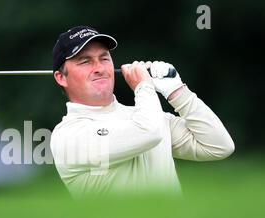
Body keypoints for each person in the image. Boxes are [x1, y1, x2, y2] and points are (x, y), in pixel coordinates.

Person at [50, 26, 235, 197]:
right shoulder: (67, 135)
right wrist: (143, 86)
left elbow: (218, 146)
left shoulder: (145, 115)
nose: (99, 68)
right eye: (85, 62)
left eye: (104, 58)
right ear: (61, 77)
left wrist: (177, 91)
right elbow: (149, 132)